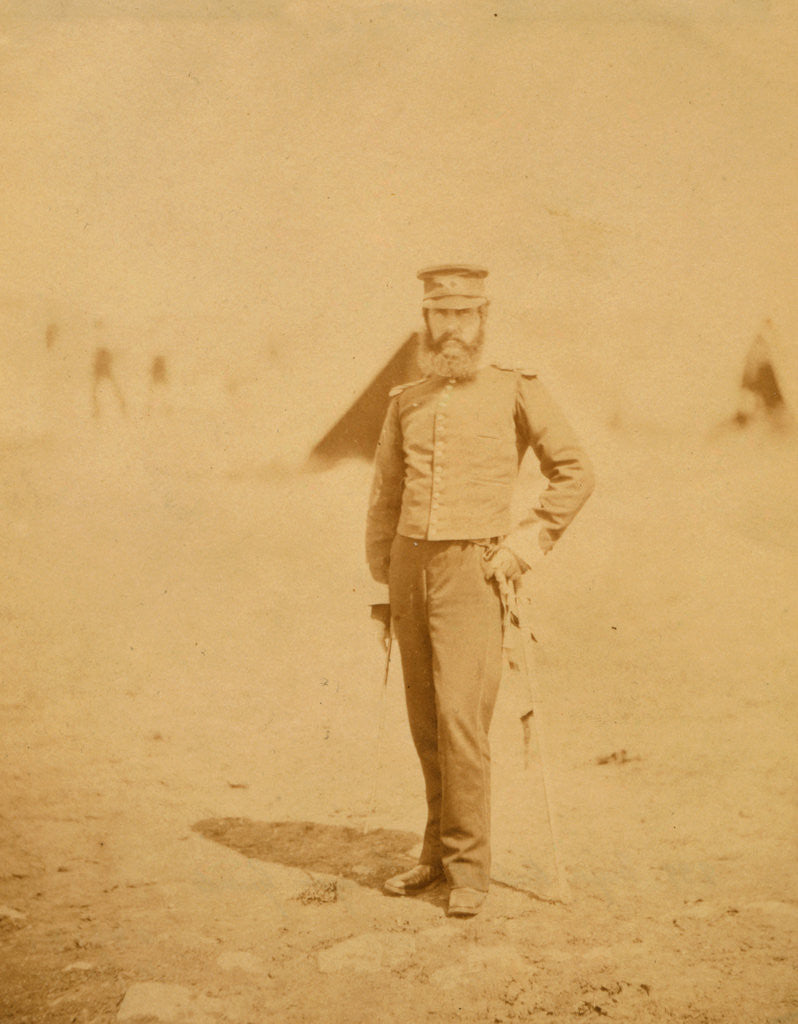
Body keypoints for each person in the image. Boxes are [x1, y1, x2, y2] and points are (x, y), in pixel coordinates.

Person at [365, 264, 594, 918]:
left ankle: (469, 870)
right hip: (408, 570)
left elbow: (575, 472)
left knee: (461, 722)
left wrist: (524, 546)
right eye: (441, 315)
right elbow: (384, 496)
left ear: (482, 319)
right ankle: (434, 856)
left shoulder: (515, 388)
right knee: (425, 722)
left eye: (464, 315)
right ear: (426, 321)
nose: (452, 329)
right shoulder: (405, 399)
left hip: (474, 571)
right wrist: (383, 584)